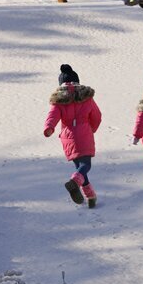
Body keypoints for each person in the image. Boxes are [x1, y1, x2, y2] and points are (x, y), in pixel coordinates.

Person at [43, 64, 102, 208]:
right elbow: (97, 116)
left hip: (68, 136)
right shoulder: (86, 97)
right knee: (85, 165)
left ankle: (90, 196)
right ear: (77, 81)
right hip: (84, 134)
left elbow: (52, 116)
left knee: (80, 168)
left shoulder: (59, 100)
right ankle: (75, 182)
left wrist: (49, 128)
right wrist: (91, 129)